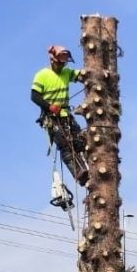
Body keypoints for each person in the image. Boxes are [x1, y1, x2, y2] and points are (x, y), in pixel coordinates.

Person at [31, 44, 89, 187]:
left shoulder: (66, 72)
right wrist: (49, 106)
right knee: (64, 145)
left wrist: (91, 74)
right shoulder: (42, 75)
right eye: (60, 62)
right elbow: (34, 96)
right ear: (52, 60)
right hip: (51, 117)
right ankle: (79, 173)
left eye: (64, 63)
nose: (62, 65)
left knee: (80, 140)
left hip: (65, 114)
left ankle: (89, 167)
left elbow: (81, 75)